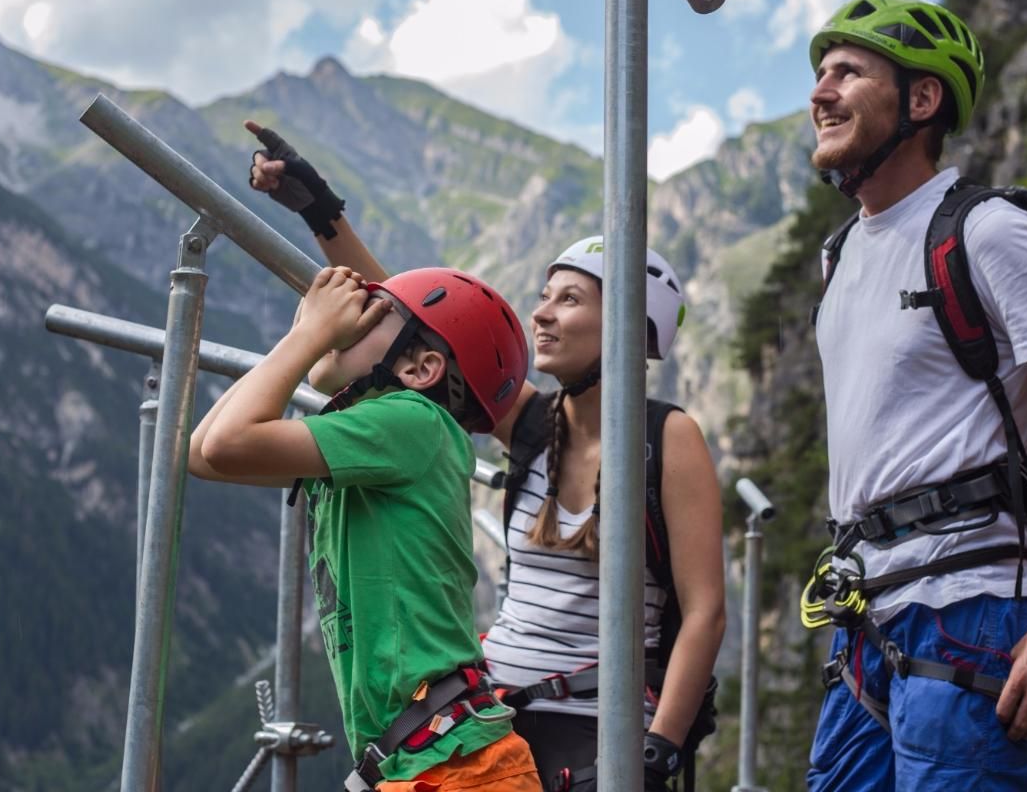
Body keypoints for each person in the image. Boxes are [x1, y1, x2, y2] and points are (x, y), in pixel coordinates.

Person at [244, 122, 726, 792]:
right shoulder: (533, 426)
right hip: (486, 708)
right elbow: (418, 325)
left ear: (628, 324)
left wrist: (659, 747)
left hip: (598, 720)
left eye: (570, 299)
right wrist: (320, 210)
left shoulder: (667, 438)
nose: (543, 315)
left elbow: (705, 609)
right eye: (544, 295)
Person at [801, 0, 1027, 791]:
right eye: (820, 74)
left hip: (972, 605)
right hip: (865, 615)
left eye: (848, 73)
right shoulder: (839, 258)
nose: (819, 93)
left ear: (922, 99)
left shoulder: (988, 232)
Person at [187, 261, 542, 792]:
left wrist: (310, 337)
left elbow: (224, 444)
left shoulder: (412, 422)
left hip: (460, 768)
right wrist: (302, 336)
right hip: (429, 759)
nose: (350, 319)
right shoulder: (374, 436)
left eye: (375, 313)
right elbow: (202, 455)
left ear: (421, 369)